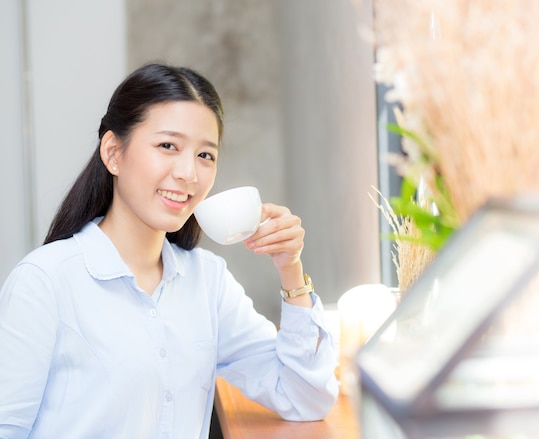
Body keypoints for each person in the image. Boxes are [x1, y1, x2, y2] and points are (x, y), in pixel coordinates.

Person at [0, 63, 338, 438]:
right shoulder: (44, 282)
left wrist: (290, 268)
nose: (189, 174)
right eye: (168, 146)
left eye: (205, 155)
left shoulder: (206, 280)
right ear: (113, 152)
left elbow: (305, 398)